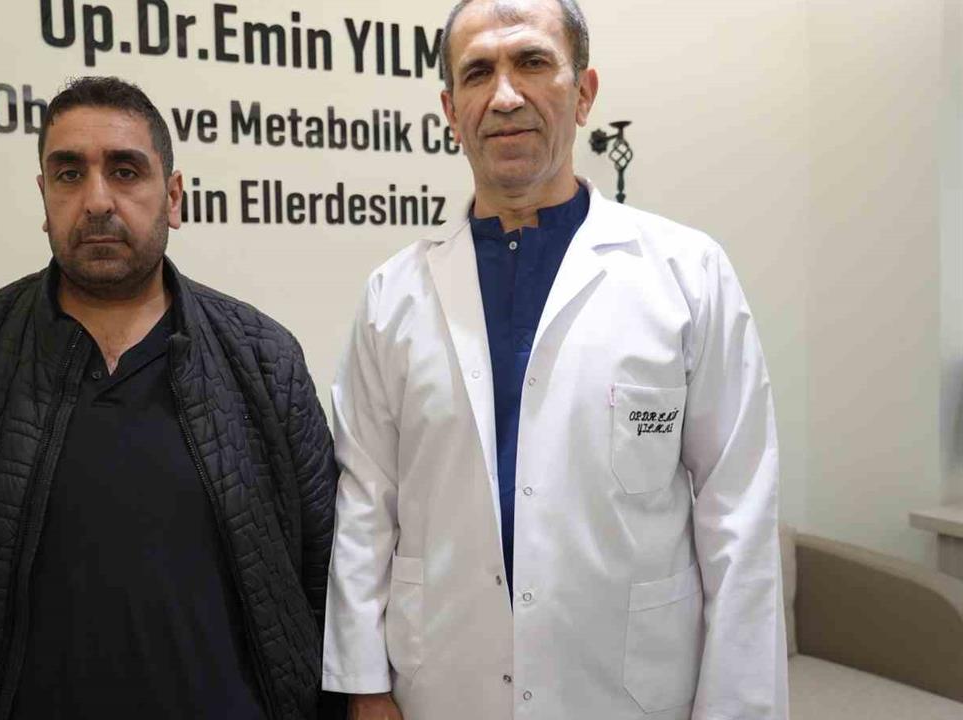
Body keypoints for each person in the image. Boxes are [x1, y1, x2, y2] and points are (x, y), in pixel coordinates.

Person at [322, 1, 788, 718]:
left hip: (628, 692)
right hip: (442, 686)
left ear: (585, 93)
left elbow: (739, 512)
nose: (505, 95)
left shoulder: (688, 275)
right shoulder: (392, 297)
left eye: (533, 62)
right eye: (478, 73)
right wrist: (365, 686)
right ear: (451, 111)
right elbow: (364, 505)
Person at [0, 76, 340, 720]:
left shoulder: (264, 358)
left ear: (174, 196)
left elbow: (327, 579)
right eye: (69, 174)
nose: (97, 200)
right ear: (44, 197)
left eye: (125, 171)